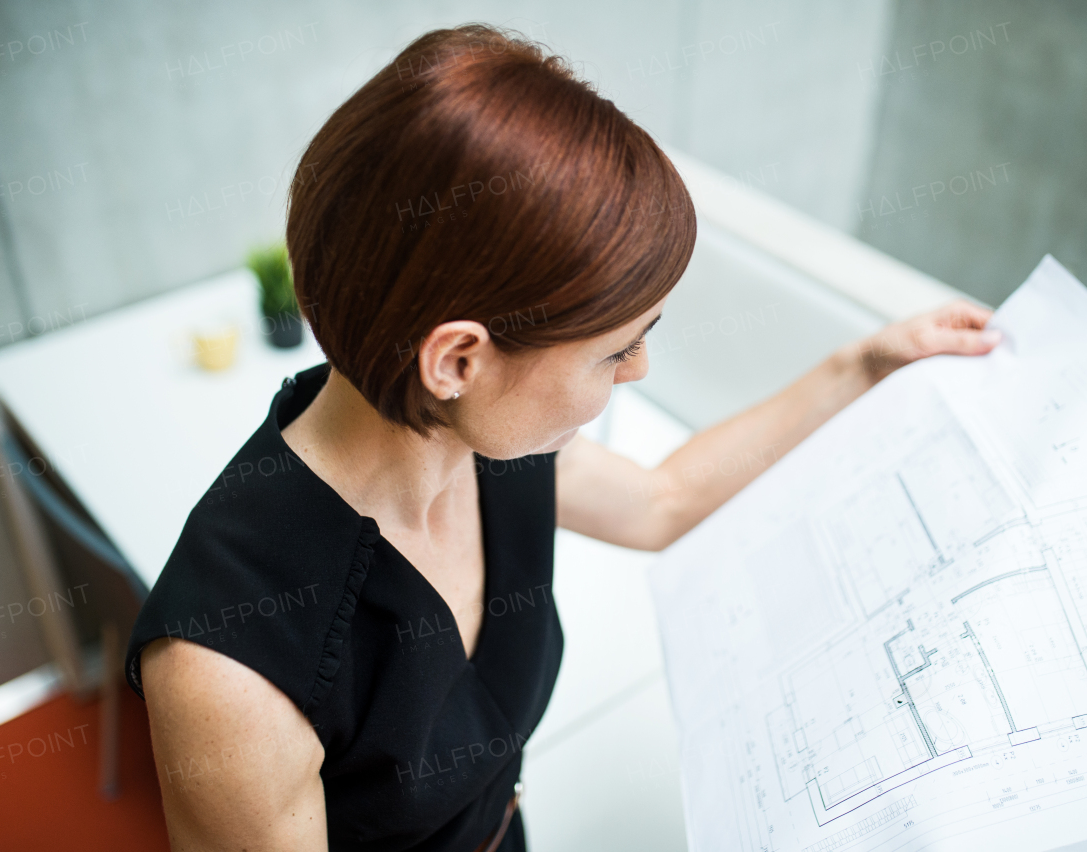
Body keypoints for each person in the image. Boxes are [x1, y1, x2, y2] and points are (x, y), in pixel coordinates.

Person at [124, 23, 999, 852]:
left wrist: (865, 367)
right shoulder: (226, 671)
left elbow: (664, 502)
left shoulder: (479, 445)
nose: (639, 371)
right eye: (616, 348)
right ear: (459, 359)